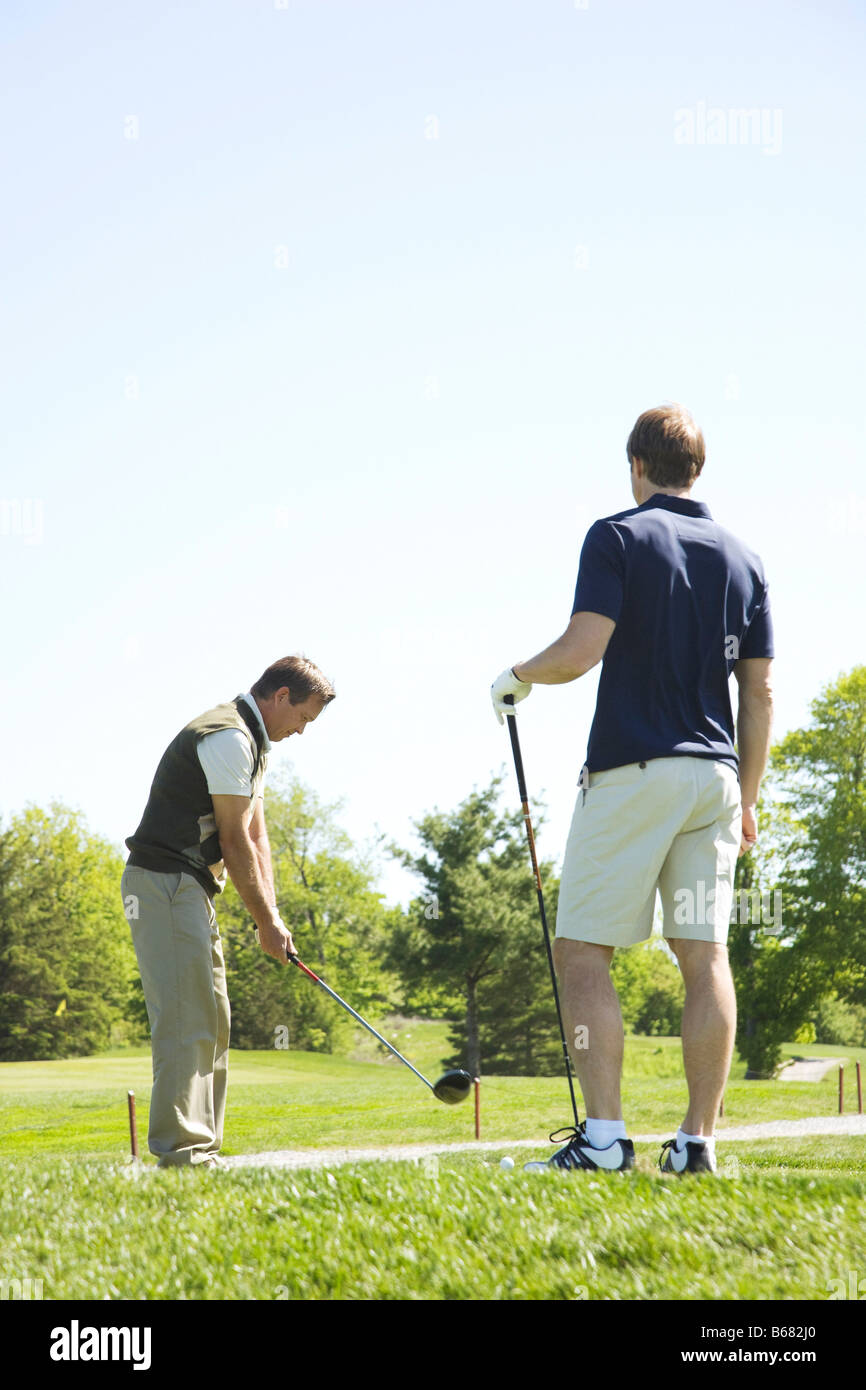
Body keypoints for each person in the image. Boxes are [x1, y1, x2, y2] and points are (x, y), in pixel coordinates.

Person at [491, 404, 774, 1175]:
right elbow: (760, 695)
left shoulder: (616, 534)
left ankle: (607, 1140)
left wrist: (515, 678)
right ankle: (696, 1143)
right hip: (714, 780)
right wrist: (747, 798)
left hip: (633, 773)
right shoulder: (746, 560)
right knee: (703, 955)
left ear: (637, 466)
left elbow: (583, 649)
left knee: (582, 951)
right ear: (698, 470)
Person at [121, 655, 335, 1168]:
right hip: (164, 884)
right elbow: (234, 841)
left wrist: (275, 918)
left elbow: (258, 836)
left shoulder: (255, 745)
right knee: (184, 1019)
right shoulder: (228, 738)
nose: (302, 731)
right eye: (304, 718)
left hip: (190, 889)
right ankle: (182, 1154)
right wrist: (263, 923)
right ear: (281, 697)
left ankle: (203, 1147)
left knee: (213, 1019)